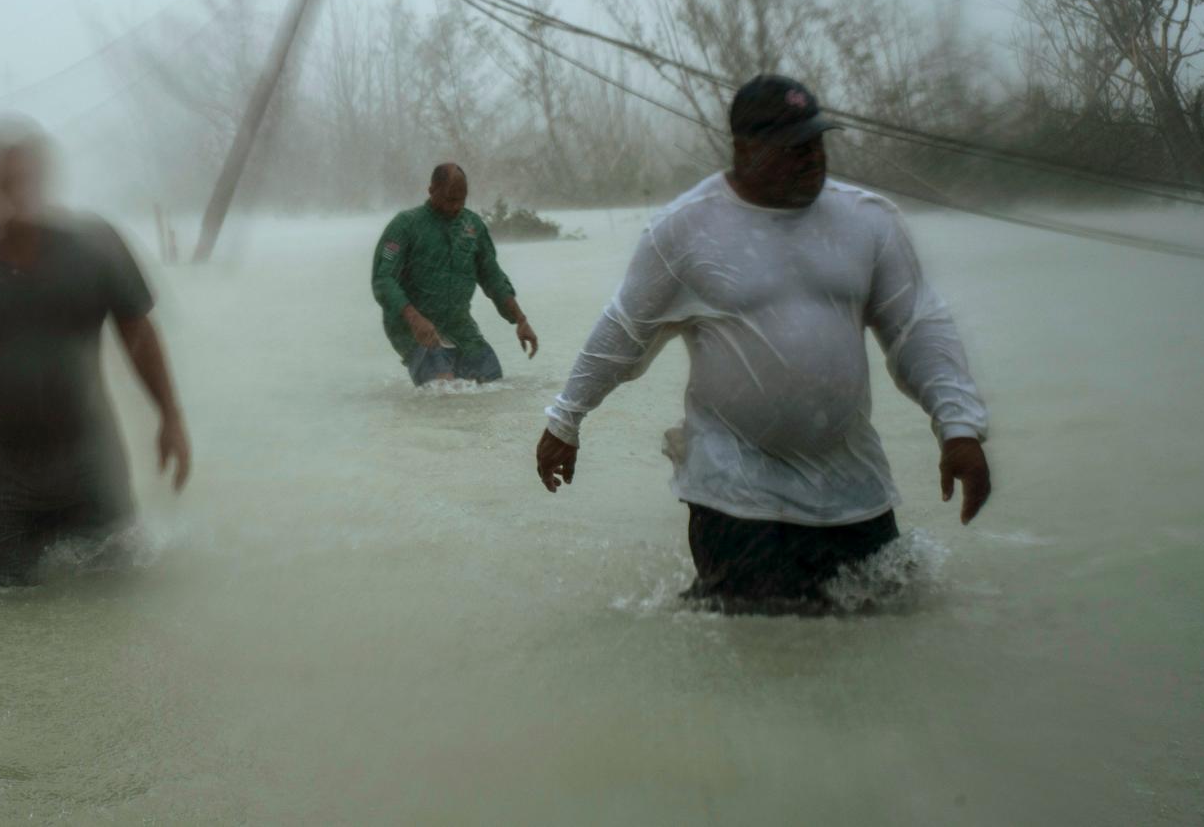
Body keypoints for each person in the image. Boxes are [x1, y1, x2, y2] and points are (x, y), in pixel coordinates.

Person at [533, 75, 992, 615]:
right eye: (792, 148)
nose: (812, 159)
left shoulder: (868, 220)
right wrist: (566, 420)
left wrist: (958, 427)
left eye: (817, 143)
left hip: (852, 488)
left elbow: (918, 328)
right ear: (744, 148)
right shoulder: (685, 230)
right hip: (734, 494)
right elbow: (623, 334)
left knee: (886, 635)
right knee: (761, 651)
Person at [0, 115, 191, 589]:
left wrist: (171, 417)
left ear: (45, 176)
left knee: (118, 625)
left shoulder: (94, 246)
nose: (17, 187)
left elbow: (137, 332)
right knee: (7, 632)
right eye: (3, 176)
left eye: (27, 174)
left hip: (94, 476)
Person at [371, 162, 538, 384]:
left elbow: (492, 276)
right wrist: (414, 319)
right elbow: (383, 280)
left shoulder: (472, 226)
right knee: (443, 391)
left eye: (462, 199)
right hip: (413, 328)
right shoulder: (405, 226)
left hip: (459, 325)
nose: (456, 206)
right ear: (431, 191)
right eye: (450, 199)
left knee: (493, 383)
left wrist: (520, 319)